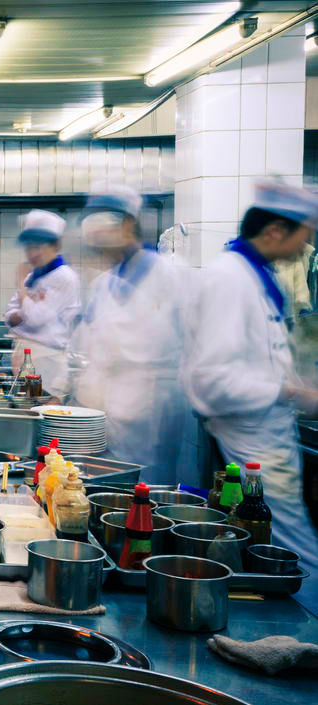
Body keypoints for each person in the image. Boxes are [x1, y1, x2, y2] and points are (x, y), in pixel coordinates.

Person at [181, 181, 318, 615]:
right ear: (276, 230)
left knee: (284, 550)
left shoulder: (255, 276)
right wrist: (292, 391)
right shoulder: (229, 279)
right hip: (254, 444)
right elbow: (212, 380)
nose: (305, 247)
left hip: (268, 439)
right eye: (304, 235)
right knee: (293, 554)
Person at [71, 186, 194, 484]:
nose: (99, 248)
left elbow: (193, 347)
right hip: (108, 419)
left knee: (147, 497)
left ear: (128, 226)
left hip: (154, 419)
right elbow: (90, 349)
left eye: (104, 235)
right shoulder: (104, 284)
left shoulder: (171, 276)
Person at [4, 210, 81, 396]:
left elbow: (35, 318)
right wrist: (25, 308)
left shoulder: (64, 277)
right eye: (28, 247)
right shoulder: (34, 276)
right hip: (26, 362)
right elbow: (9, 315)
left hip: (48, 367)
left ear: (55, 245)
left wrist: (22, 287)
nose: (32, 253)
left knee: (44, 417)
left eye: (38, 247)